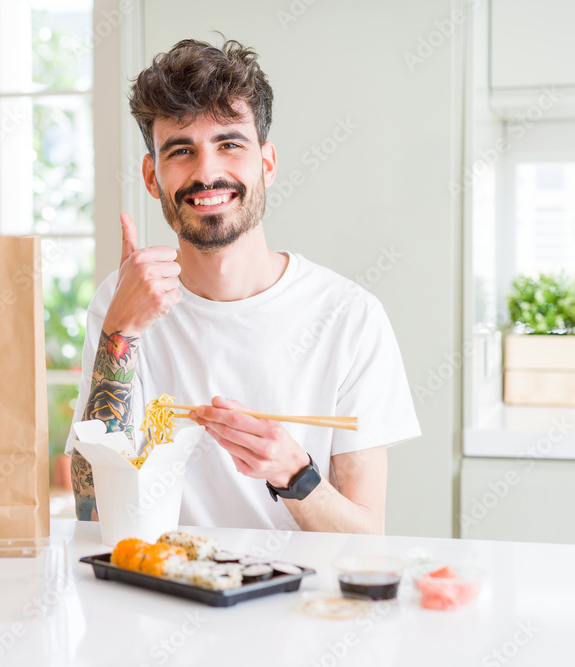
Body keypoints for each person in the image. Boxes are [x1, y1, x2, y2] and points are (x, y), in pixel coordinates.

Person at [66, 37, 419, 534]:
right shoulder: (123, 302)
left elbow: (365, 539)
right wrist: (119, 334)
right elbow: (92, 513)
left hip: (299, 602)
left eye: (229, 144)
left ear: (267, 164)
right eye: (181, 151)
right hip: (163, 592)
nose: (207, 172)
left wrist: (293, 474)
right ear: (152, 176)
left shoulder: (351, 317)